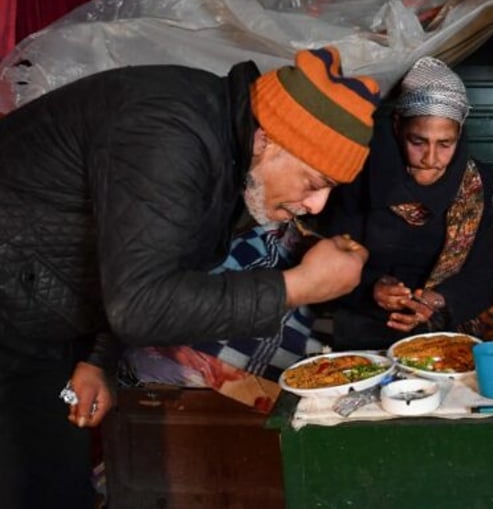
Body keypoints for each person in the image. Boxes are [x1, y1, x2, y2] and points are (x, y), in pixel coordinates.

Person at [0, 46, 379, 508]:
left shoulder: (232, 156)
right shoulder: (168, 134)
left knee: (54, 488)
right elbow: (142, 303)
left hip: (40, 314)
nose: (316, 206)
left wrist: (100, 357)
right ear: (268, 139)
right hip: (13, 305)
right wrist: (297, 286)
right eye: (314, 182)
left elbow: (143, 258)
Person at [320, 56, 493, 351]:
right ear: (396, 127)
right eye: (418, 142)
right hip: (365, 317)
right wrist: (373, 288)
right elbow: (331, 256)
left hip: (440, 321)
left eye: (445, 144)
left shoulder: (474, 184)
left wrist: (436, 302)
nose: (431, 159)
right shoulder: (362, 173)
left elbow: (482, 276)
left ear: (460, 134)